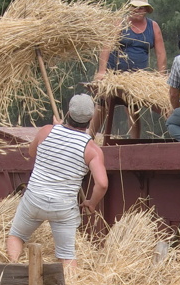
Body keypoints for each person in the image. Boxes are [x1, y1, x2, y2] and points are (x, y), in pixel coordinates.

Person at [7, 95, 108, 268]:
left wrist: (57, 128)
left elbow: (31, 153)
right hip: (63, 207)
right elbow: (102, 184)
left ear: (68, 112)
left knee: (16, 236)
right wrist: (92, 203)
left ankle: (13, 270)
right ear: (91, 119)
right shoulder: (92, 149)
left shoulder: (47, 131)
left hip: (34, 200)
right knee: (66, 255)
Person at [91, 0, 167, 139]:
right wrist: (102, 72)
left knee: (133, 108)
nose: (137, 11)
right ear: (130, 8)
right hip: (116, 73)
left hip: (137, 77)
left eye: (141, 8)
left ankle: (134, 142)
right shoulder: (120, 22)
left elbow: (161, 53)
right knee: (103, 105)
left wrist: (162, 76)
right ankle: (90, 137)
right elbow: (106, 46)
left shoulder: (153, 27)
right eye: (134, 7)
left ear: (146, 10)